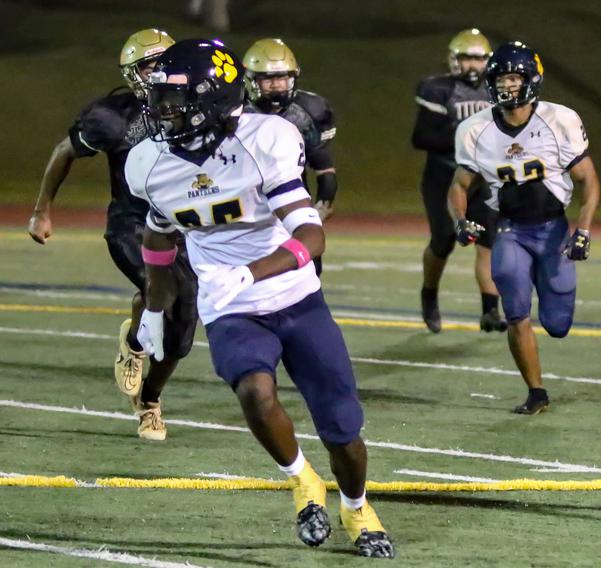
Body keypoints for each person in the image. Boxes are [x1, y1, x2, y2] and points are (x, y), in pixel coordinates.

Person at [126, 39, 393, 558]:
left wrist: (248, 274)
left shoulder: (266, 138)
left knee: (342, 430)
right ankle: (301, 481)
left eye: (175, 100)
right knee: (254, 391)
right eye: (160, 98)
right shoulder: (149, 162)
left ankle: (357, 505)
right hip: (230, 306)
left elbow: (311, 238)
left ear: (214, 100)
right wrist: (155, 307)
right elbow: (158, 237)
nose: (162, 111)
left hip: (294, 295)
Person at [26, 28, 196, 441]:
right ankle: (149, 408)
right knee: (166, 294)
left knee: (182, 332)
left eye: (164, 62)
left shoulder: (194, 105)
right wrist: (41, 210)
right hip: (132, 225)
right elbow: (64, 150)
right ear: (133, 73)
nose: (159, 71)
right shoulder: (113, 115)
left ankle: (146, 377)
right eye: (149, 65)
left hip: (182, 224)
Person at [448, 42, 601, 414]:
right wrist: (459, 220)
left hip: (553, 231)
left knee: (558, 323)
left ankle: (543, 358)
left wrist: (583, 229)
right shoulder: (475, 130)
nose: (507, 87)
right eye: (501, 79)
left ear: (532, 80)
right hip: (510, 230)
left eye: (515, 78)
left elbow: (589, 181)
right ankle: (536, 392)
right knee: (515, 310)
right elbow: (459, 185)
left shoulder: (559, 120)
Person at [412, 29, 507, 333]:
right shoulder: (438, 89)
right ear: (454, 60)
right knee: (443, 241)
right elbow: (421, 136)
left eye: (478, 59)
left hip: (482, 178)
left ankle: (490, 311)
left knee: (488, 240)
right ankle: (429, 293)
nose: (472, 65)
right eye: (466, 58)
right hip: (443, 176)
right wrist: (465, 138)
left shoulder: (497, 91)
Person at [242, 38, 337, 276]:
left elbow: (323, 165)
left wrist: (323, 203)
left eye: (282, 78)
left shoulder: (308, 110)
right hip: (243, 201)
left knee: (308, 269)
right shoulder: (232, 109)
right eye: (268, 79)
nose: (276, 86)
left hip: (289, 197)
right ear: (250, 79)